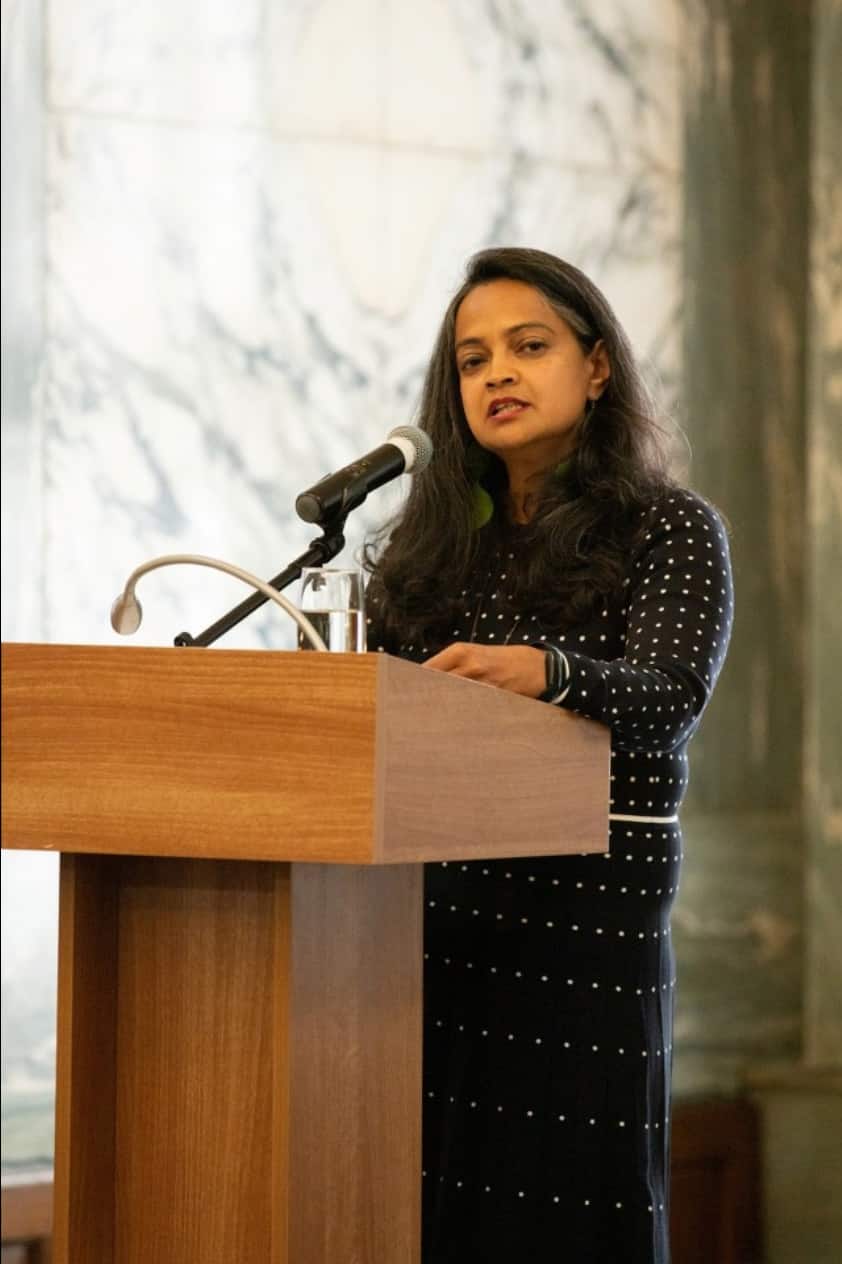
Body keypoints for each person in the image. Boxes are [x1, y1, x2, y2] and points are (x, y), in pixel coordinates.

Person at [365, 247, 734, 1263]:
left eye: (527, 347)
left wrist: (549, 671)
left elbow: (668, 698)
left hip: (584, 931)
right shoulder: (422, 548)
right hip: (431, 931)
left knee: (570, 1217)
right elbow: (372, 723)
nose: (495, 375)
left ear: (596, 366)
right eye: (471, 360)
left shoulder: (667, 529)